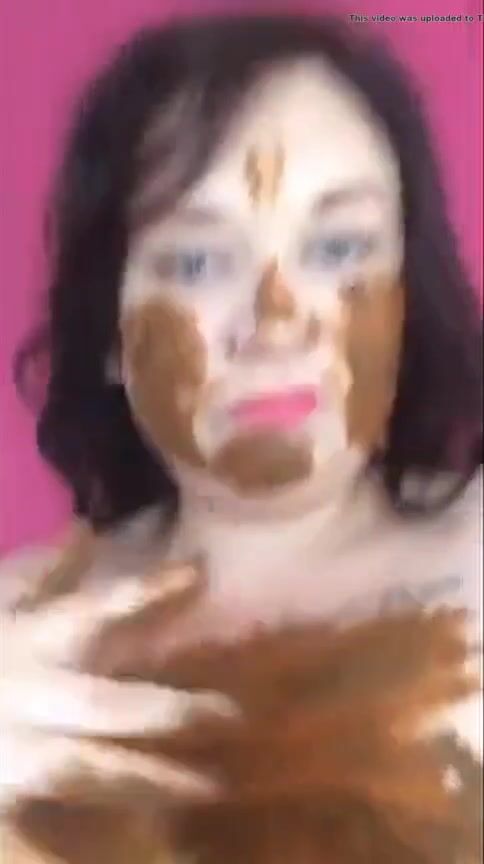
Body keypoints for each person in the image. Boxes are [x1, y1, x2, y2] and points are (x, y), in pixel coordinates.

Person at [0, 13, 482, 863]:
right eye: (196, 263)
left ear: (410, 297)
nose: (275, 321)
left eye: (340, 248)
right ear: (108, 328)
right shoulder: (21, 628)